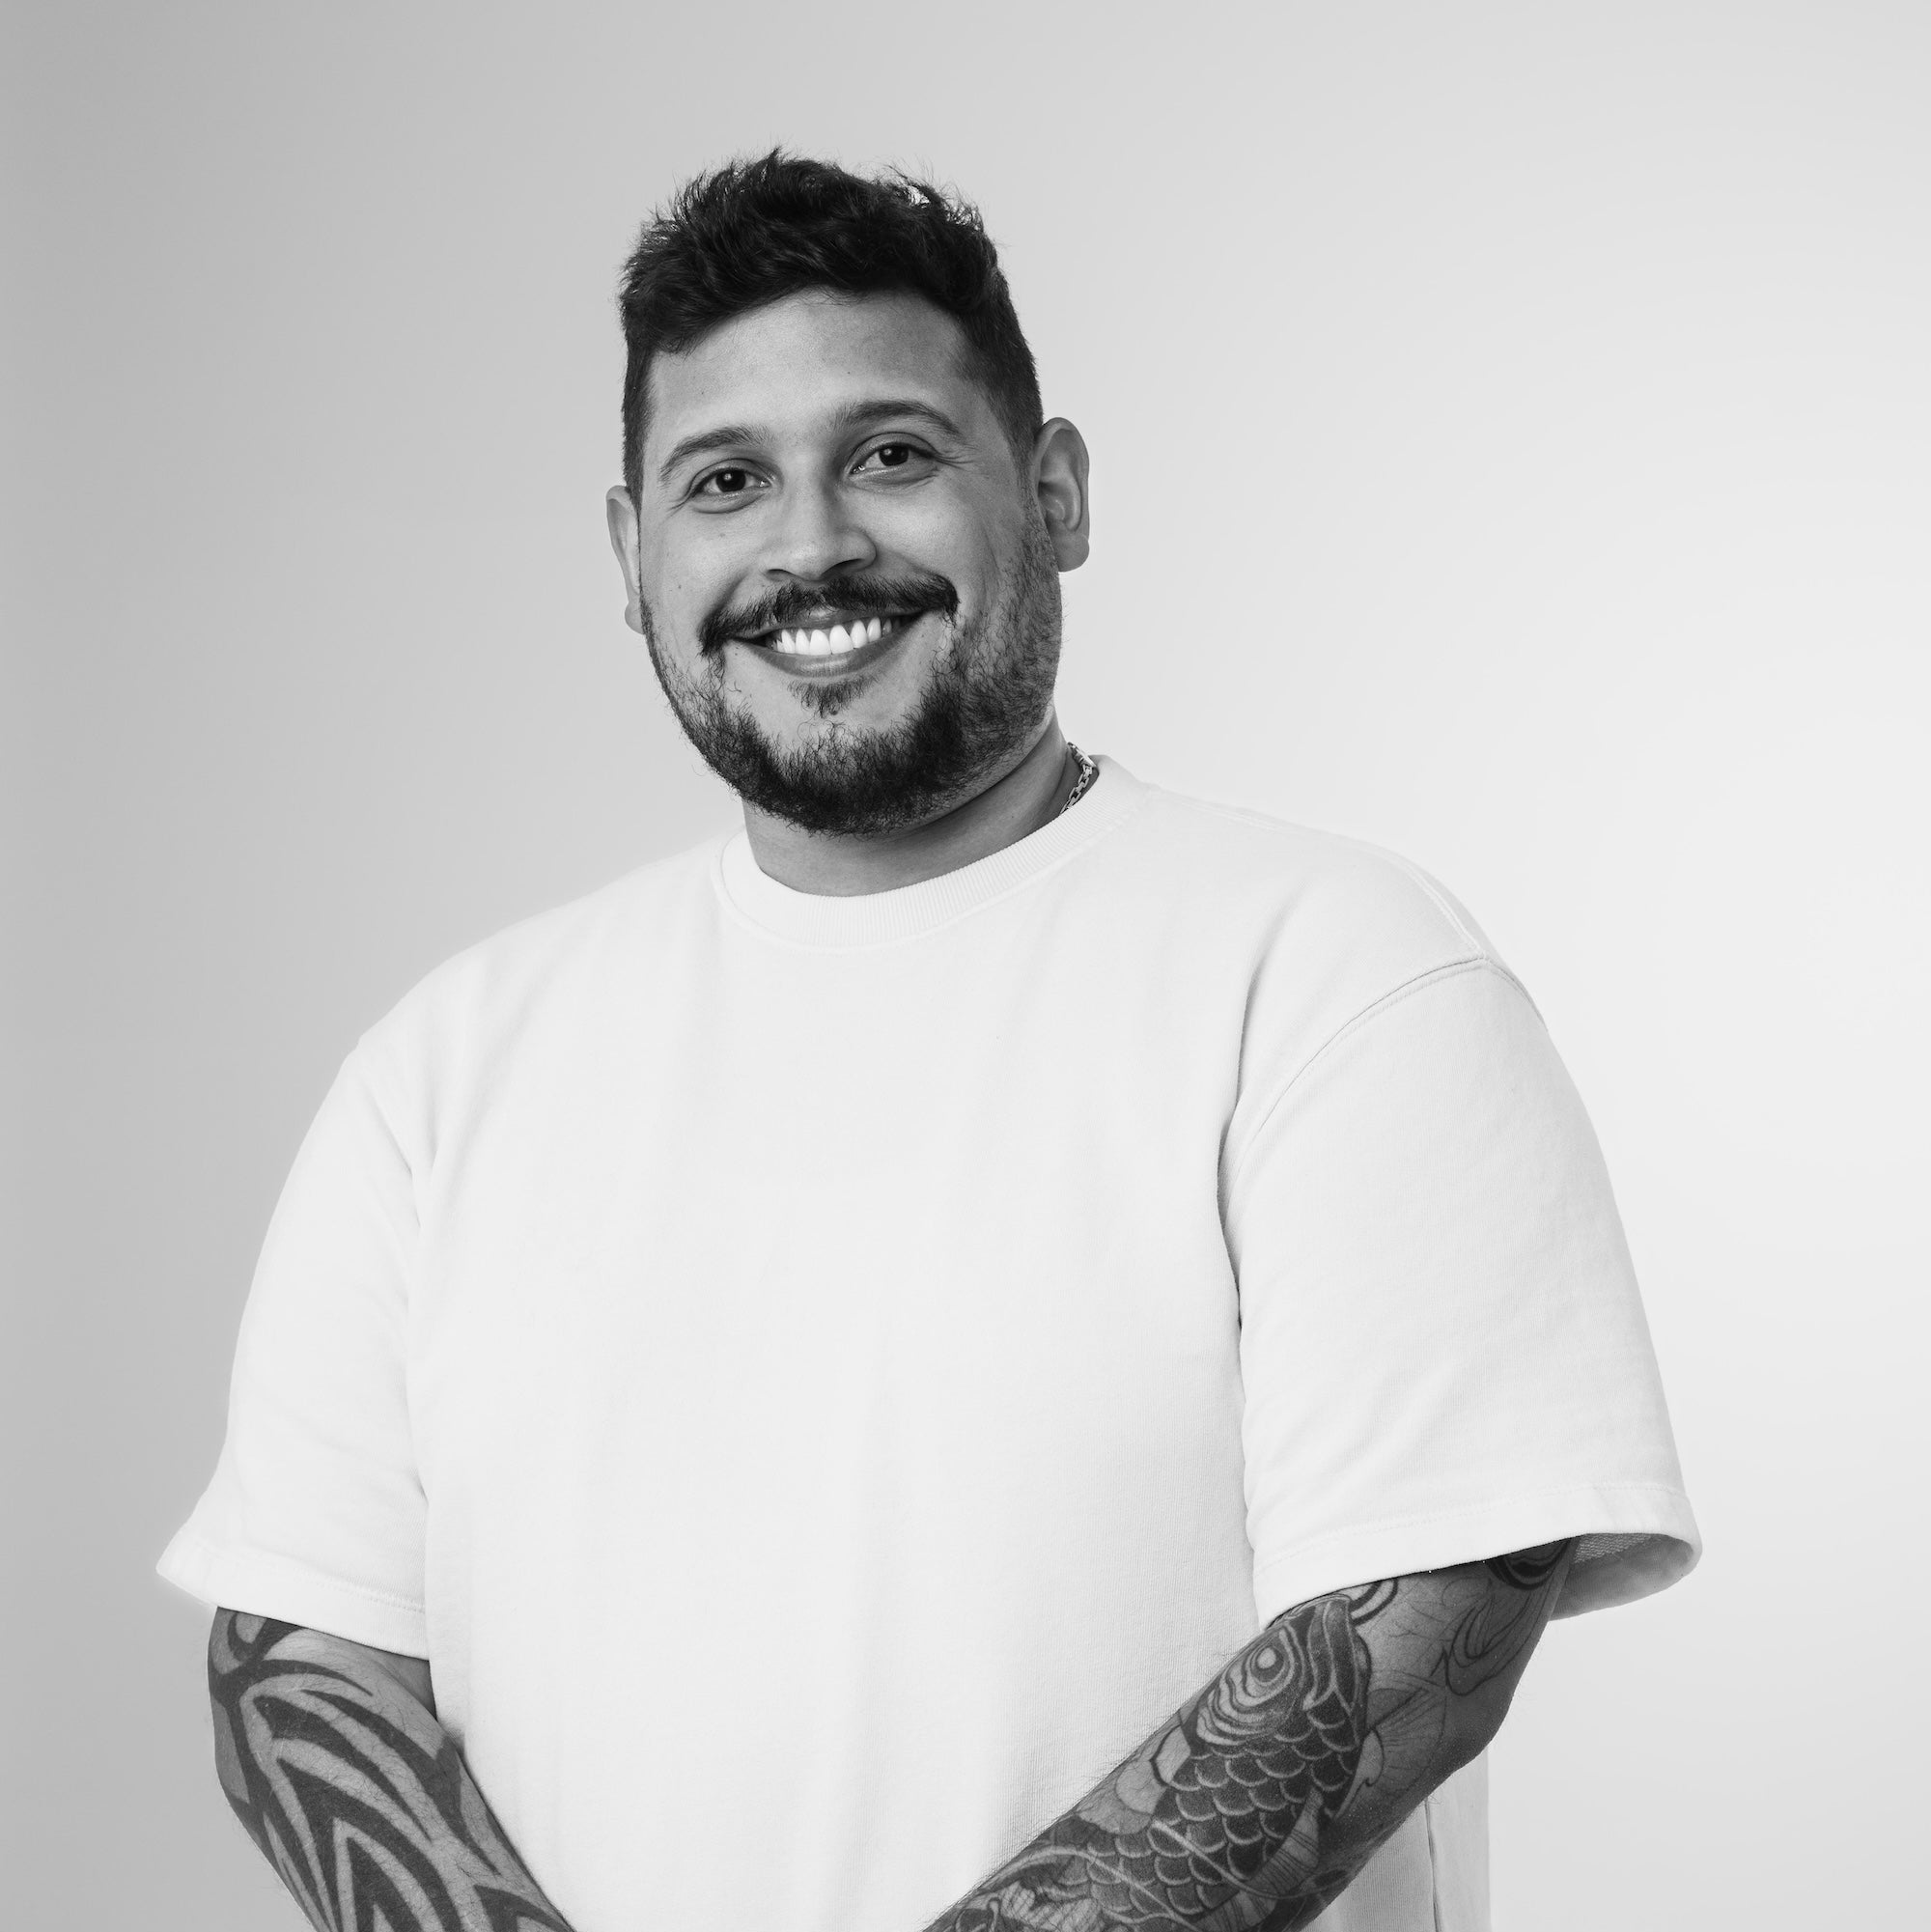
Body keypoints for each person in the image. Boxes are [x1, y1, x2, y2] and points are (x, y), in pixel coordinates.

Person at [160, 152, 1698, 1932]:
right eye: (724, 480)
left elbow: (1425, 1617)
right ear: (631, 554)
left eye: (891, 453)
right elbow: (298, 1653)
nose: (808, 545)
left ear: (1053, 494)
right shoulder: (445, 1070)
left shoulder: (1340, 976)